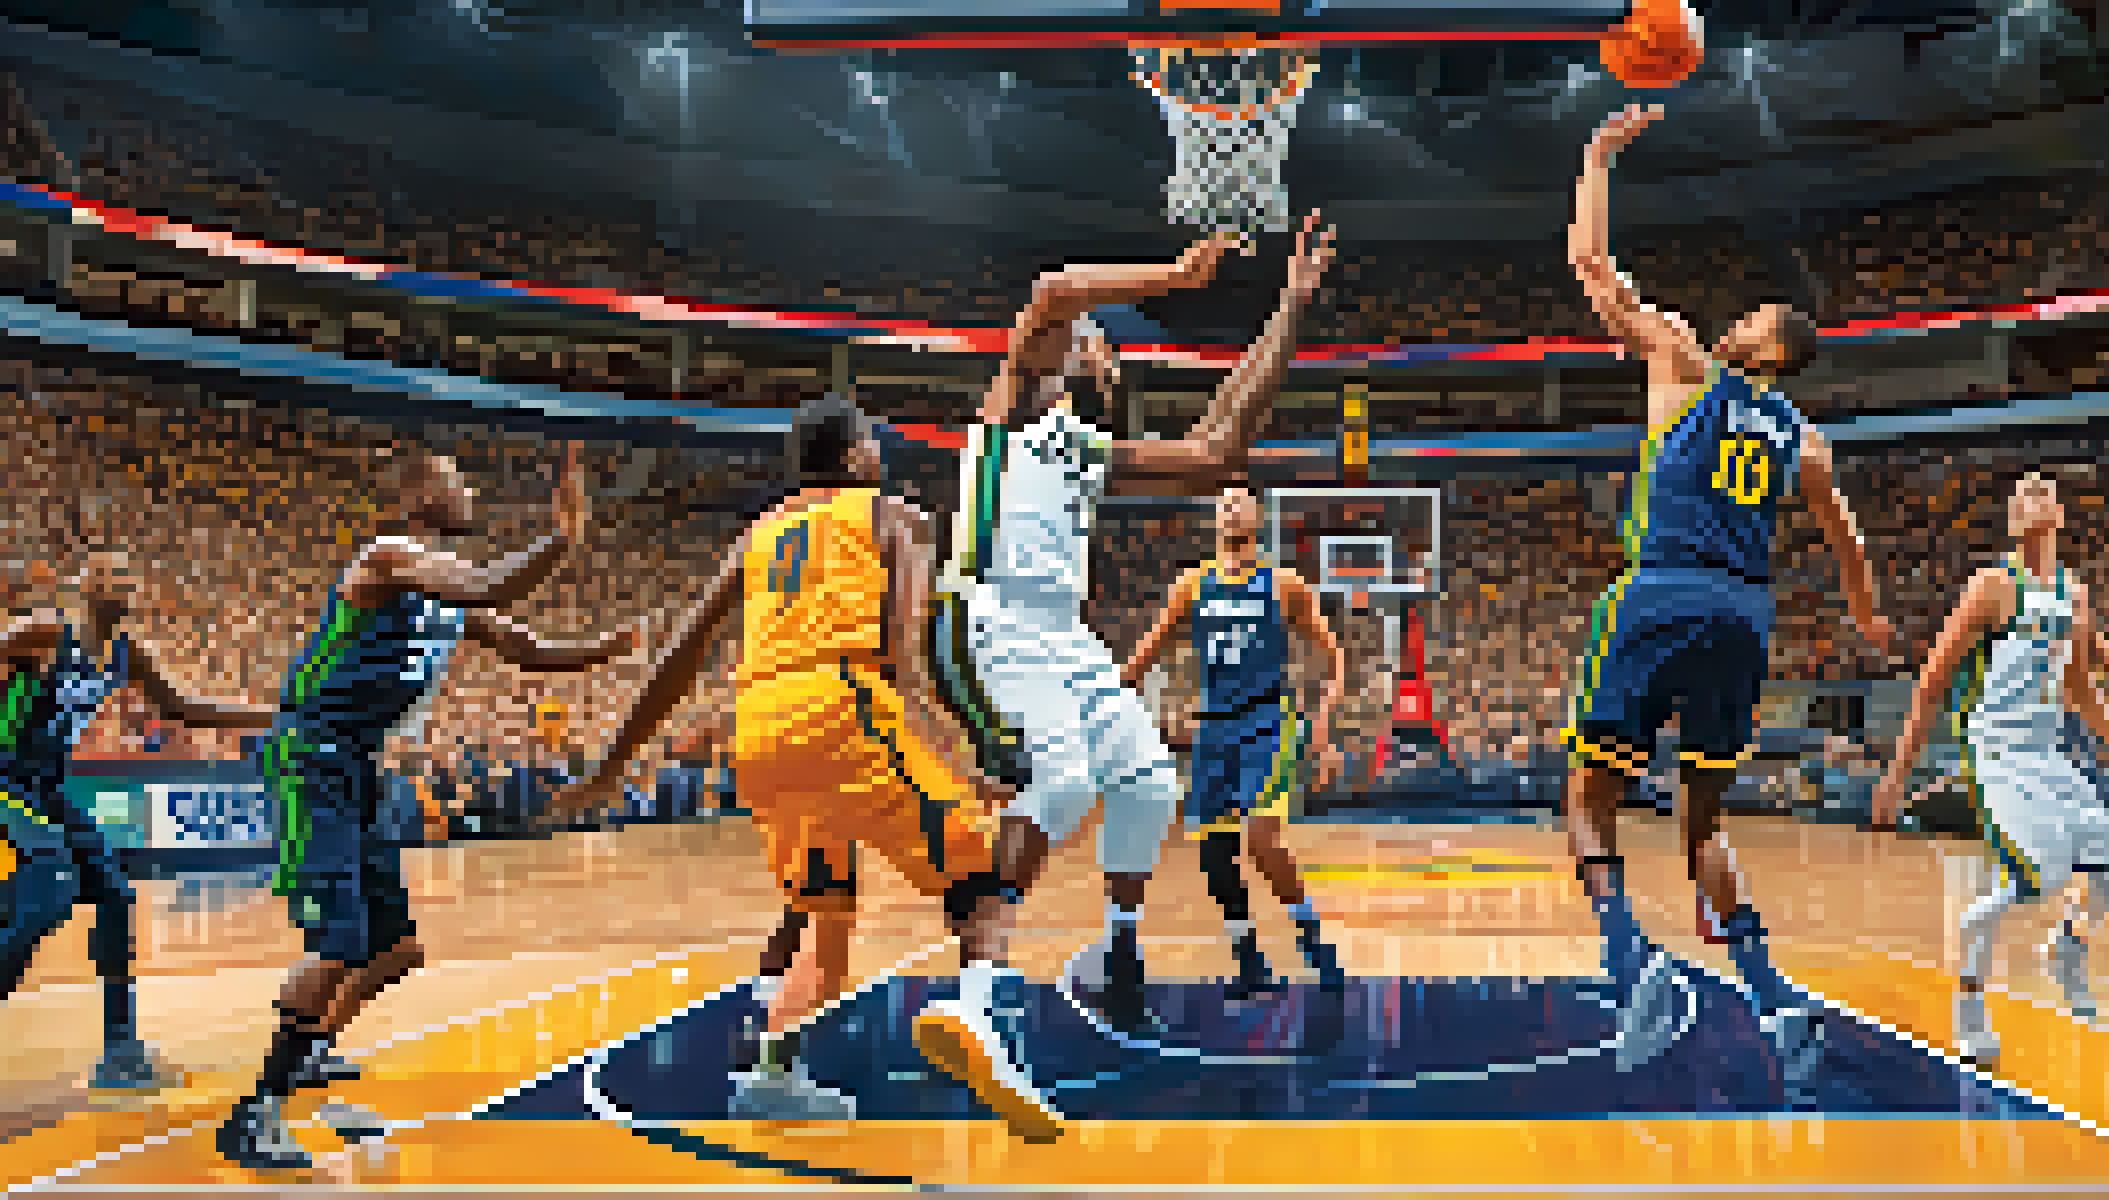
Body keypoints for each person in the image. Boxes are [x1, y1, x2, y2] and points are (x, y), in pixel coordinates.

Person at [912, 215, 1337, 1139]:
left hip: (1062, 640)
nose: (1093, 337)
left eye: (1104, 344)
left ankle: (1117, 954)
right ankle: (976, 1002)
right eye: (1092, 338)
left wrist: (1290, 311)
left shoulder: (1093, 460)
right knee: (1062, 781)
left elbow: (1219, 449)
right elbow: (1058, 289)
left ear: (1110, 383)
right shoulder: (1018, 408)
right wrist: (1178, 278)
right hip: (987, 615)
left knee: (1147, 784)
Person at [551, 396, 1017, 1128]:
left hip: (762, 727)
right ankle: (982, 1023)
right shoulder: (897, 518)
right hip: (844, 705)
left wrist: (612, 765)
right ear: (856, 456)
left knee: (823, 918)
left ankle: (772, 1075)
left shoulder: (758, 534)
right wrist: (962, 761)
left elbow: (682, 655)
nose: (879, 451)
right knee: (983, 891)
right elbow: (902, 658)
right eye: (872, 441)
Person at [1563, 103, 1894, 1084]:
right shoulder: (1808, 439)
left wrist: (1596, 155)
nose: (1736, 316)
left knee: (1589, 799)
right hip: (1744, 615)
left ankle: (1630, 965)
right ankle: (1775, 999)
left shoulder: (1683, 361)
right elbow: (1848, 540)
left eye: (1751, 316)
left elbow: (1590, 263)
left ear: (1766, 348)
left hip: (1660, 592)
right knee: (1702, 825)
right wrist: (1866, 612)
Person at [219, 446, 641, 1171]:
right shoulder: (390, 559)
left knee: (396, 949)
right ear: (418, 498)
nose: (468, 493)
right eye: (455, 483)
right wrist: (562, 539)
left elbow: (525, 648)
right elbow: (491, 588)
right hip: (311, 753)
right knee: (339, 945)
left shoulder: (447, 600)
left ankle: (309, 1047)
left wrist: (604, 651)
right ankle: (255, 1111)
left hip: (358, 763)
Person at [1872, 473, 2109, 1062]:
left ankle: (2064, 944)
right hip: (1996, 754)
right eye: (2022, 495)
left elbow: (2081, 687)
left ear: (2059, 512)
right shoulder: (1990, 588)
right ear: (2012, 522)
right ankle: (1969, 1005)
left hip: (2049, 755)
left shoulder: (2074, 594)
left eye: (2043, 490)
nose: (2034, 496)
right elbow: (1931, 684)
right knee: (2039, 878)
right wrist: (1897, 774)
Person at [0, 552, 280, 1089]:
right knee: (49, 899)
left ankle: (121, 1050)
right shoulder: (42, 634)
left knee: (117, 896)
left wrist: (283, 711)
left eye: (129, 575)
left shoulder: (128, 654)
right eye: (109, 574)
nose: (122, 582)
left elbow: (187, 710)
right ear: (83, 585)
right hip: (7, 781)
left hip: (52, 787)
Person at [1117, 484, 1347, 998]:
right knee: (1215, 853)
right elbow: (1145, 655)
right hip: (1213, 731)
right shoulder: (1191, 585)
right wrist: (1103, 700)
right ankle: (1249, 958)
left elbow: (1333, 657)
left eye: (1240, 501)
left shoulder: (1283, 584)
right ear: (1213, 519)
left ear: (1257, 516)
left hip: (1268, 723)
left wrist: (1323, 726)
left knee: (1261, 834)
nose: (1231, 507)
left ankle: (1309, 935)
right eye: (1223, 502)